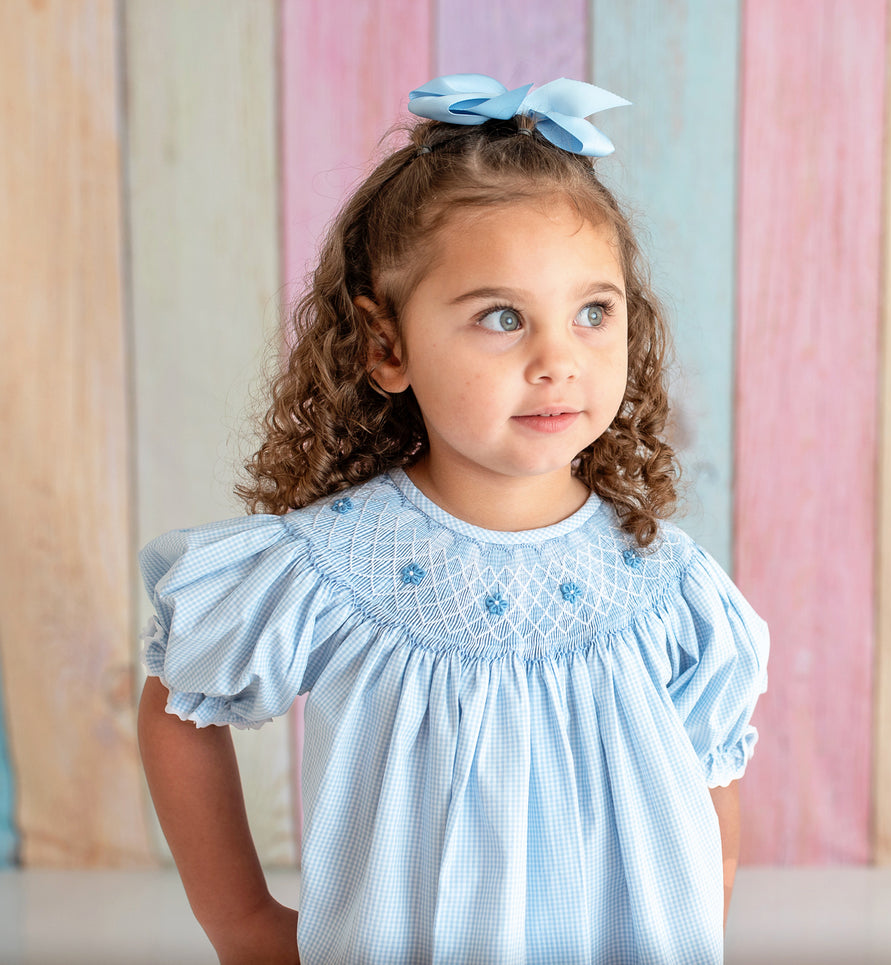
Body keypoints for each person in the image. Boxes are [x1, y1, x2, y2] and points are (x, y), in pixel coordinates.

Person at [135, 73, 769, 965]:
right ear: (387, 345)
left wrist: (693, 922)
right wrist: (241, 920)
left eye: (593, 311)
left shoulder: (666, 582)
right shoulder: (336, 562)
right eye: (503, 317)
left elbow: (711, 780)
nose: (559, 360)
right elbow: (179, 701)